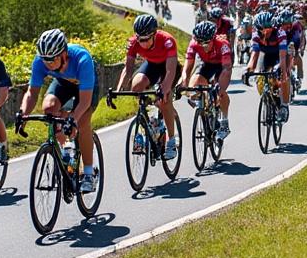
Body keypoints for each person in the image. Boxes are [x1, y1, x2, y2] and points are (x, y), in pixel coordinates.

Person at [20, 28, 102, 193]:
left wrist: (74, 118)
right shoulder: (40, 62)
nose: (48, 63)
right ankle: (66, 145)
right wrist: (23, 114)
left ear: (64, 54)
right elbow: (32, 93)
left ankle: (88, 173)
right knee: (49, 109)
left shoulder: (81, 59)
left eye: (52, 59)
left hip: (85, 88)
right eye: (45, 60)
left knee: (83, 121)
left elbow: (85, 101)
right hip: (63, 83)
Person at [116, 13, 181, 160]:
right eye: (140, 39)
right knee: (136, 86)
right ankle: (151, 117)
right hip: (152, 65)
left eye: (146, 39)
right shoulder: (133, 43)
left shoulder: (167, 40)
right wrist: (119, 89)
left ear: (154, 34)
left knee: (164, 98)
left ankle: (171, 141)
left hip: (169, 66)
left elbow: (170, 71)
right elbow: (128, 69)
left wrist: (165, 90)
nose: (143, 43)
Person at [181, 20, 234, 138]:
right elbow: (188, 65)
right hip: (207, 63)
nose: (203, 46)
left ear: (213, 38)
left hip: (222, 65)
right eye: (200, 43)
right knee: (194, 86)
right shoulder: (194, 43)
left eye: (206, 43)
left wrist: (221, 87)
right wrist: (185, 82)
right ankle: (205, 108)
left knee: (221, 92)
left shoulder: (222, 44)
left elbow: (227, 69)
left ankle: (224, 122)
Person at [246, 11, 292, 123]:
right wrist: (248, 70)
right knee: (260, 76)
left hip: (279, 54)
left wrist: (282, 70)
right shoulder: (256, 35)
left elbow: (282, 56)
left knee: (283, 76)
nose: (266, 31)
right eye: (263, 28)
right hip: (265, 54)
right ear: (258, 28)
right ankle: (266, 97)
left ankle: (284, 106)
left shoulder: (280, 32)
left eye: (269, 28)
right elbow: (254, 55)